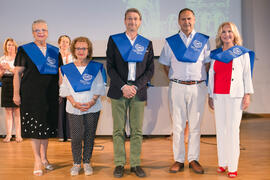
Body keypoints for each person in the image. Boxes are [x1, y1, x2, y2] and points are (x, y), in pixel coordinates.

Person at [159, 8, 210, 174]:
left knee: (195, 125)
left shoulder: (203, 40)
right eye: (183, 19)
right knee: (178, 126)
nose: (186, 22)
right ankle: (179, 159)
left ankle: (193, 159)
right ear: (178, 21)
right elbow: (165, 65)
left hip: (198, 87)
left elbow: (207, 65)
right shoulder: (170, 41)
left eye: (189, 19)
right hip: (177, 87)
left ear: (194, 20)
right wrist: (177, 80)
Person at [106, 8, 154, 178]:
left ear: (140, 21)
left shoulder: (146, 43)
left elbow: (150, 70)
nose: (132, 22)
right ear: (124, 21)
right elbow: (110, 67)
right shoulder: (114, 40)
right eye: (129, 19)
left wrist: (136, 86)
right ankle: (119, 163)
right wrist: (123, 86)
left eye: (135, 19)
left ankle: (135, 164)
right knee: (118, 130)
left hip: (138, 91)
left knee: (137, 130)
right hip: (119, 90)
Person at [13, 19, 62, 176]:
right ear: (33, 32)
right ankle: (37, 160)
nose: (41, 33)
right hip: (31, 95)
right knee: (35, 127)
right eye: (37, 30)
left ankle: (45, 158)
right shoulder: (25, 50)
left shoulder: (55, 51)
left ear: (47, 32)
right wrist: (16, 93)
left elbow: (59, 73)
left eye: (44, 30)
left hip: (50, 94)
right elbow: (17, 74)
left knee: (46, 127)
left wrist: (61, 91)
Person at [208, 22, 254, 178]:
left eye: (229, 31)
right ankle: (223, 163)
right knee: (221, 130)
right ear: (219, 35)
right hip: (218, 95)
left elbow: (247, 75)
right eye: (223, 32)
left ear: (234, 34)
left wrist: (247, 94)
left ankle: (233, 167)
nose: (226, 34)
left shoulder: (242, 53)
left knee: (233, 131)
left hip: (235, 96)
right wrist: (210, 95)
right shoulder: (215, 54)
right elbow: (211, 76)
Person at [59, 36, 106, 176]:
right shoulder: (66, 68)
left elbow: (100, 86)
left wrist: (91, 102)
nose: (81, 51)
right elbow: (64, 88)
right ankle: (76, 163)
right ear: (74, 50)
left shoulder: (96, 67)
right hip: (74, 107)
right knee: (77, 136)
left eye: (84, 48)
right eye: (78, 48)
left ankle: (86, 162)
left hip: (92, 106)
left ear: (88, 50)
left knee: (90, 135)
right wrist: (74, 102)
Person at [0, 38, 22, 143]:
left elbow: (21, 74)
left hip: (16, 83)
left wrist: (9, 68)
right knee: (8, 111)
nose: (10, 47)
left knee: (17, 110)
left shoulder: (19, 58)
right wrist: (2, 70)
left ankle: (18, 135)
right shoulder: (2, 58)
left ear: (15, 47)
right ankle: (8, 135)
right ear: (6, 46)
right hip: (6, 84)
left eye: (12, 45)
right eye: (8, 45)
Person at [58, 35, 73, 142]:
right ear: (59, 43)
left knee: (69, 108)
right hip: (57, 83)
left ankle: (69, 134)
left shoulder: (72, 56)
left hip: (70, 85)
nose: (64, 44)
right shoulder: (55, 56)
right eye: (62, 41)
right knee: (60, 109)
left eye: (66, 42)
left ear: (69, 44)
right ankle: (60, 134)